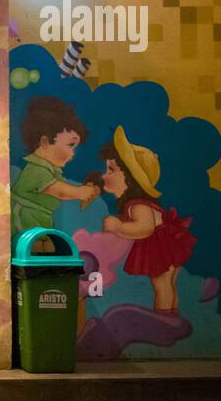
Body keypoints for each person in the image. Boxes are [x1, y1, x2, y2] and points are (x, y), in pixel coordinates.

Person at [98, 126, 196, 314]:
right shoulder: (139, 204)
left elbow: (145, 228)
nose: (105, 175)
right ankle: (173, 315)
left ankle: (165, 318)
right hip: (169, 242)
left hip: (161, 245)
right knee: (169, 285)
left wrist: (118, 227)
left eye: (111, 170)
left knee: (162, 286)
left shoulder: (138, 205)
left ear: (130, 178)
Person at [11, 96, 101, 236]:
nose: (72, 154)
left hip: (38, 220)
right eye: (70, 145)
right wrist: (80, 192)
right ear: (45, 142)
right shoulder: (36, 170)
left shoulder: (47, 169)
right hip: (24, 222)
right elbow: (59, 191)